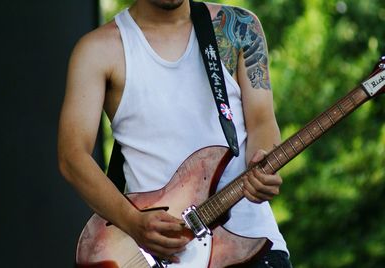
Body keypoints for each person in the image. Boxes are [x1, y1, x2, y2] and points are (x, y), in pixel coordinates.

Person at [58, 0, 292, 267]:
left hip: (253, 246)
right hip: (163, 255)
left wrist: (263, 163)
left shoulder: (239, 27)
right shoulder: (99, 50)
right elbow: (72, 155)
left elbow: (262, 120)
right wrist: (132, 222)